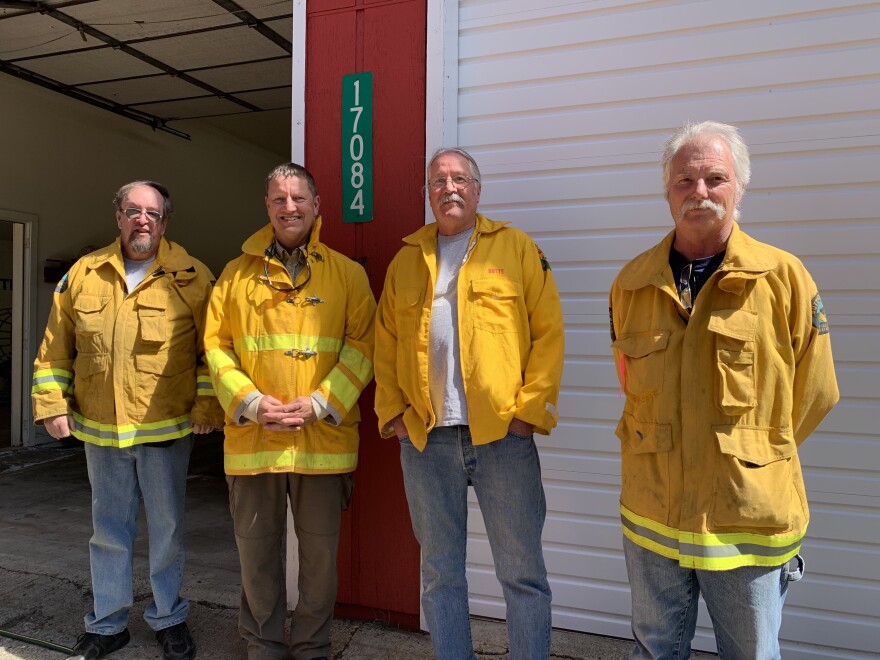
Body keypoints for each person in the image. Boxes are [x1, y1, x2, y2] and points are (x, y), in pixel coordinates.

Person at [609, 121, 840, 659]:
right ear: (667, 191)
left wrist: (758, 453)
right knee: (655, 651)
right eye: (684, 180)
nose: (700, 192)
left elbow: (818, 390)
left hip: (746, 520)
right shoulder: (631, 283)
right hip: (653, 517)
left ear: (740, 186)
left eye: (715, 178)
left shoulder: (784, 279)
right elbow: (629, 382)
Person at [374, 147, 564, 659]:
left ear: (477, 190)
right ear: (427, 194)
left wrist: (529, 412)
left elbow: (549, 333)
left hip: (503, 436)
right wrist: (391, 413)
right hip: (425, 440)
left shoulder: (516, 248)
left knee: (522, 573)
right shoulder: (407, 259)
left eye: (460, 179)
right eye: (438, 181)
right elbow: (386, 343)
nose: (449, 188)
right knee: (440, 574)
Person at [32, 180, 222, 660]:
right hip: (100, 430)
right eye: (134, 211)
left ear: (165, 222)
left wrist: (207, 408)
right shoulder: (83, 274)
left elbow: (214, 353)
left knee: (167, 531)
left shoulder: (193, 276)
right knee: (108, 529)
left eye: (153, 213)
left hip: (166, 430)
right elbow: (56, 350)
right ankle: (108, 623)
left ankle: (169, 618)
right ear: (118, 216)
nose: (143, 220)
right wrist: (53, 404)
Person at [203, 163, 375, 660]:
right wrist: (251, 404)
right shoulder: (236, 276)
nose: (289, 207)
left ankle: (312, 647)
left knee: (319, 561)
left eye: (298, 198)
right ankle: (263, 646)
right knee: (256, 556)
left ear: (317, 205)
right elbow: (215, 347)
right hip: (254, 442)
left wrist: (324, 402)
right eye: (278, 199)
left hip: (322, 443)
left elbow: (364, 344)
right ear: (267, 207)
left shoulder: (348, 274)